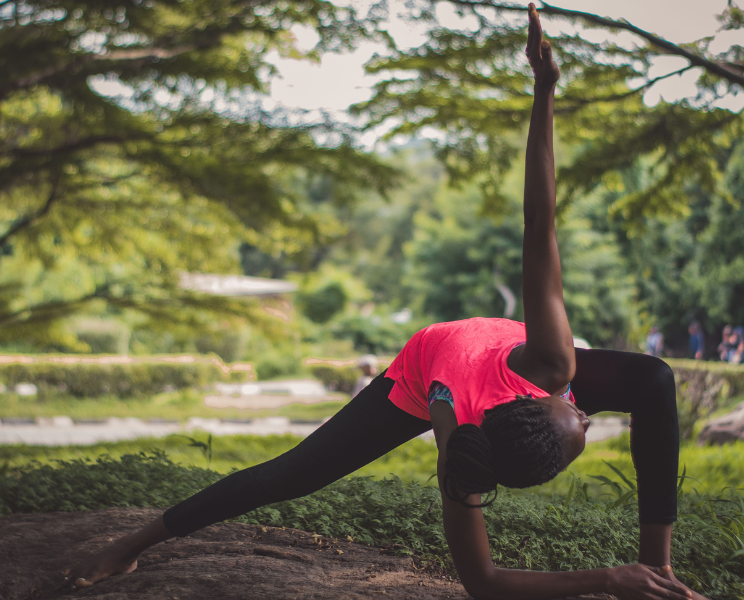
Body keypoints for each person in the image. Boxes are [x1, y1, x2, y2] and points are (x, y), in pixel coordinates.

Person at [64, 7, 702, 599]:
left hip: (478, 371)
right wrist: (606, 578)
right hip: (424, 366)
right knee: (288, 476)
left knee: (653, 379)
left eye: (577, 423)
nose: (587, 417)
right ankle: (128, 546)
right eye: (584, 425)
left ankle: (661, 572)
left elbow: (539, 225)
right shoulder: (469, 448)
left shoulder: (546, 369)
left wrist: (544, 88)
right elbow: (482, 582)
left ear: (539, 401)